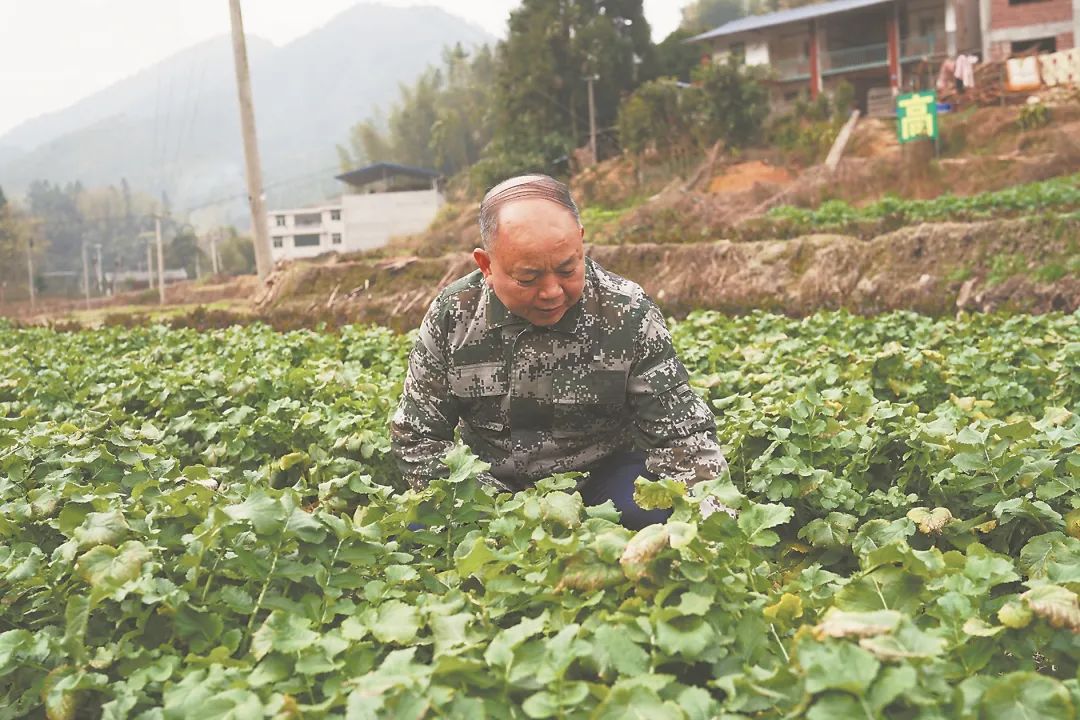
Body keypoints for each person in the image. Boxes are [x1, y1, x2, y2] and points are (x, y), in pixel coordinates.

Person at [390, 174, 729, 529]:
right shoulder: (453, 315)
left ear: (581, 243)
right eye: (529, 278)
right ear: (486, 265)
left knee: (652, 511)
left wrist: (716, 526)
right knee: (427, 524)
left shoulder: (627, 310)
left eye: (568, 269)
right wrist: (502, 512)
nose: (552, 292)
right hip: (491, 486)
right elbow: (417, 437)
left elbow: (683, 434)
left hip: (604, 480)